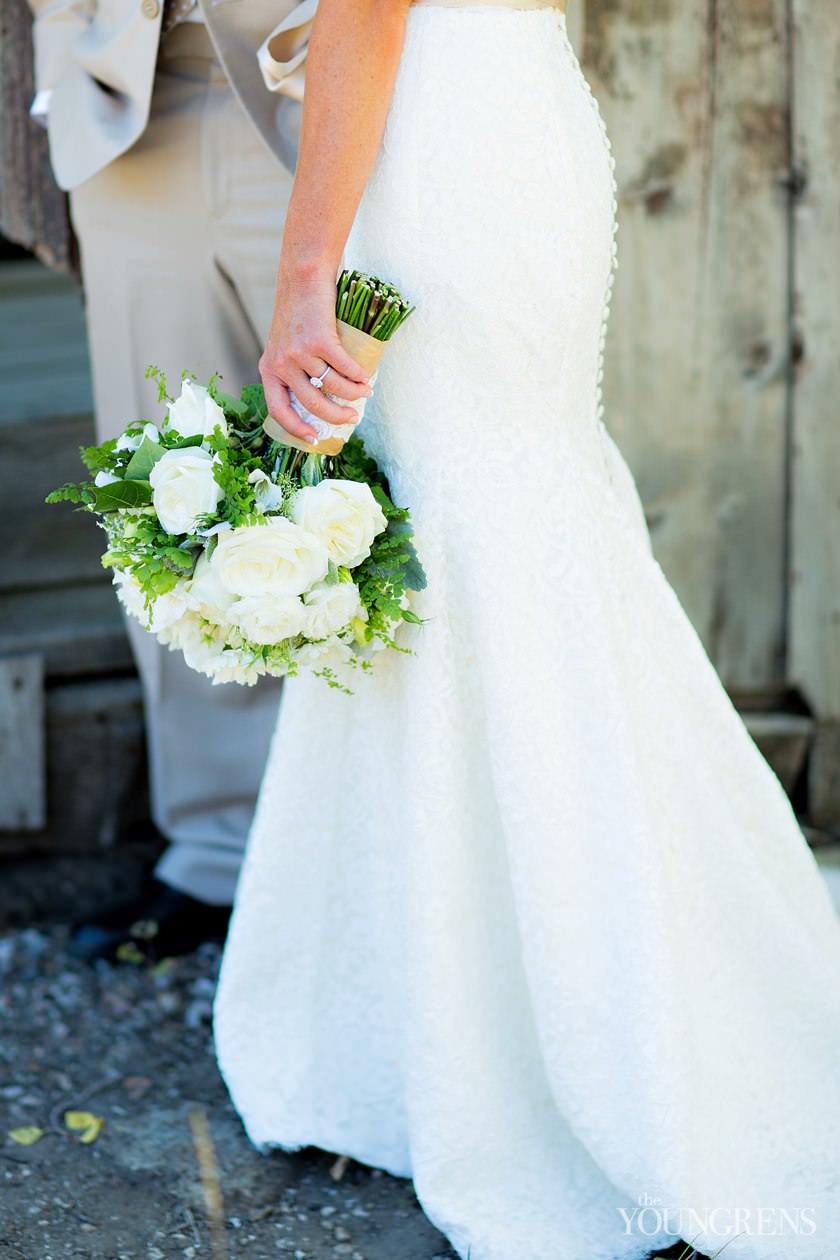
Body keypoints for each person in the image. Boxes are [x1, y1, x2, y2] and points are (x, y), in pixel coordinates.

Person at [211, 1, 840, 1256]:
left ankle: (551, 1035)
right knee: (495, 537)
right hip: (513, 116)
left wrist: (304, 278)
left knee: (471, 541)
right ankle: (500, 1003)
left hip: (437, 142)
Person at [26, 0, 310, 960]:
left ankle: (385, 850)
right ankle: (219, 853)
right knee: (174, 494)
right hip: (130, 92)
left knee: (372, 484)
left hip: (325, 76)